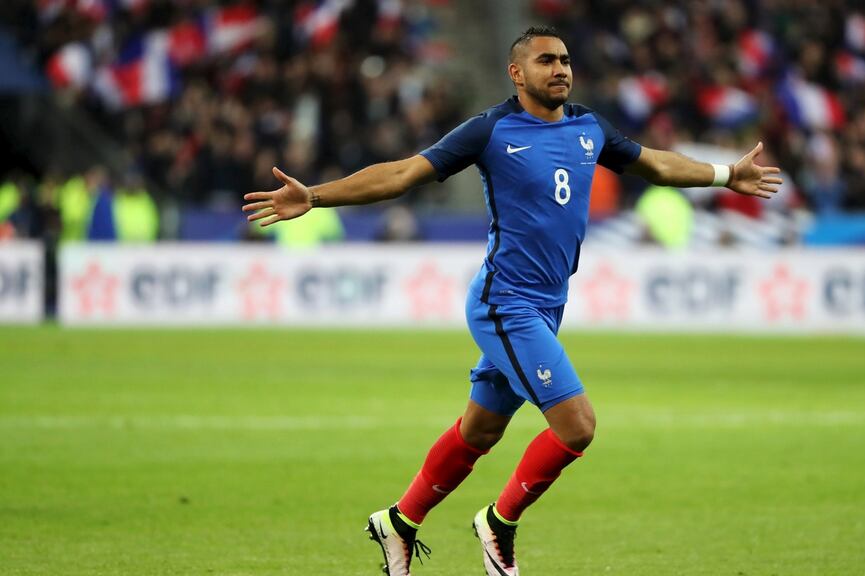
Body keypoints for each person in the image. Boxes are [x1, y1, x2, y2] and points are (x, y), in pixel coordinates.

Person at [243, 26, 781, 576]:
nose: (562, 69)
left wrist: (724, 174)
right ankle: (498, 524)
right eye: (547, 60)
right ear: (516, 73)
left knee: (480, 430)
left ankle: (399, 523)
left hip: (548, 304)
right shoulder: (491, 129)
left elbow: (658, 165)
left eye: (566, 60)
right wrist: (314, 195)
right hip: (506, 302)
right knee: (578, 426)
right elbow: (404, 173)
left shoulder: (589, 127)